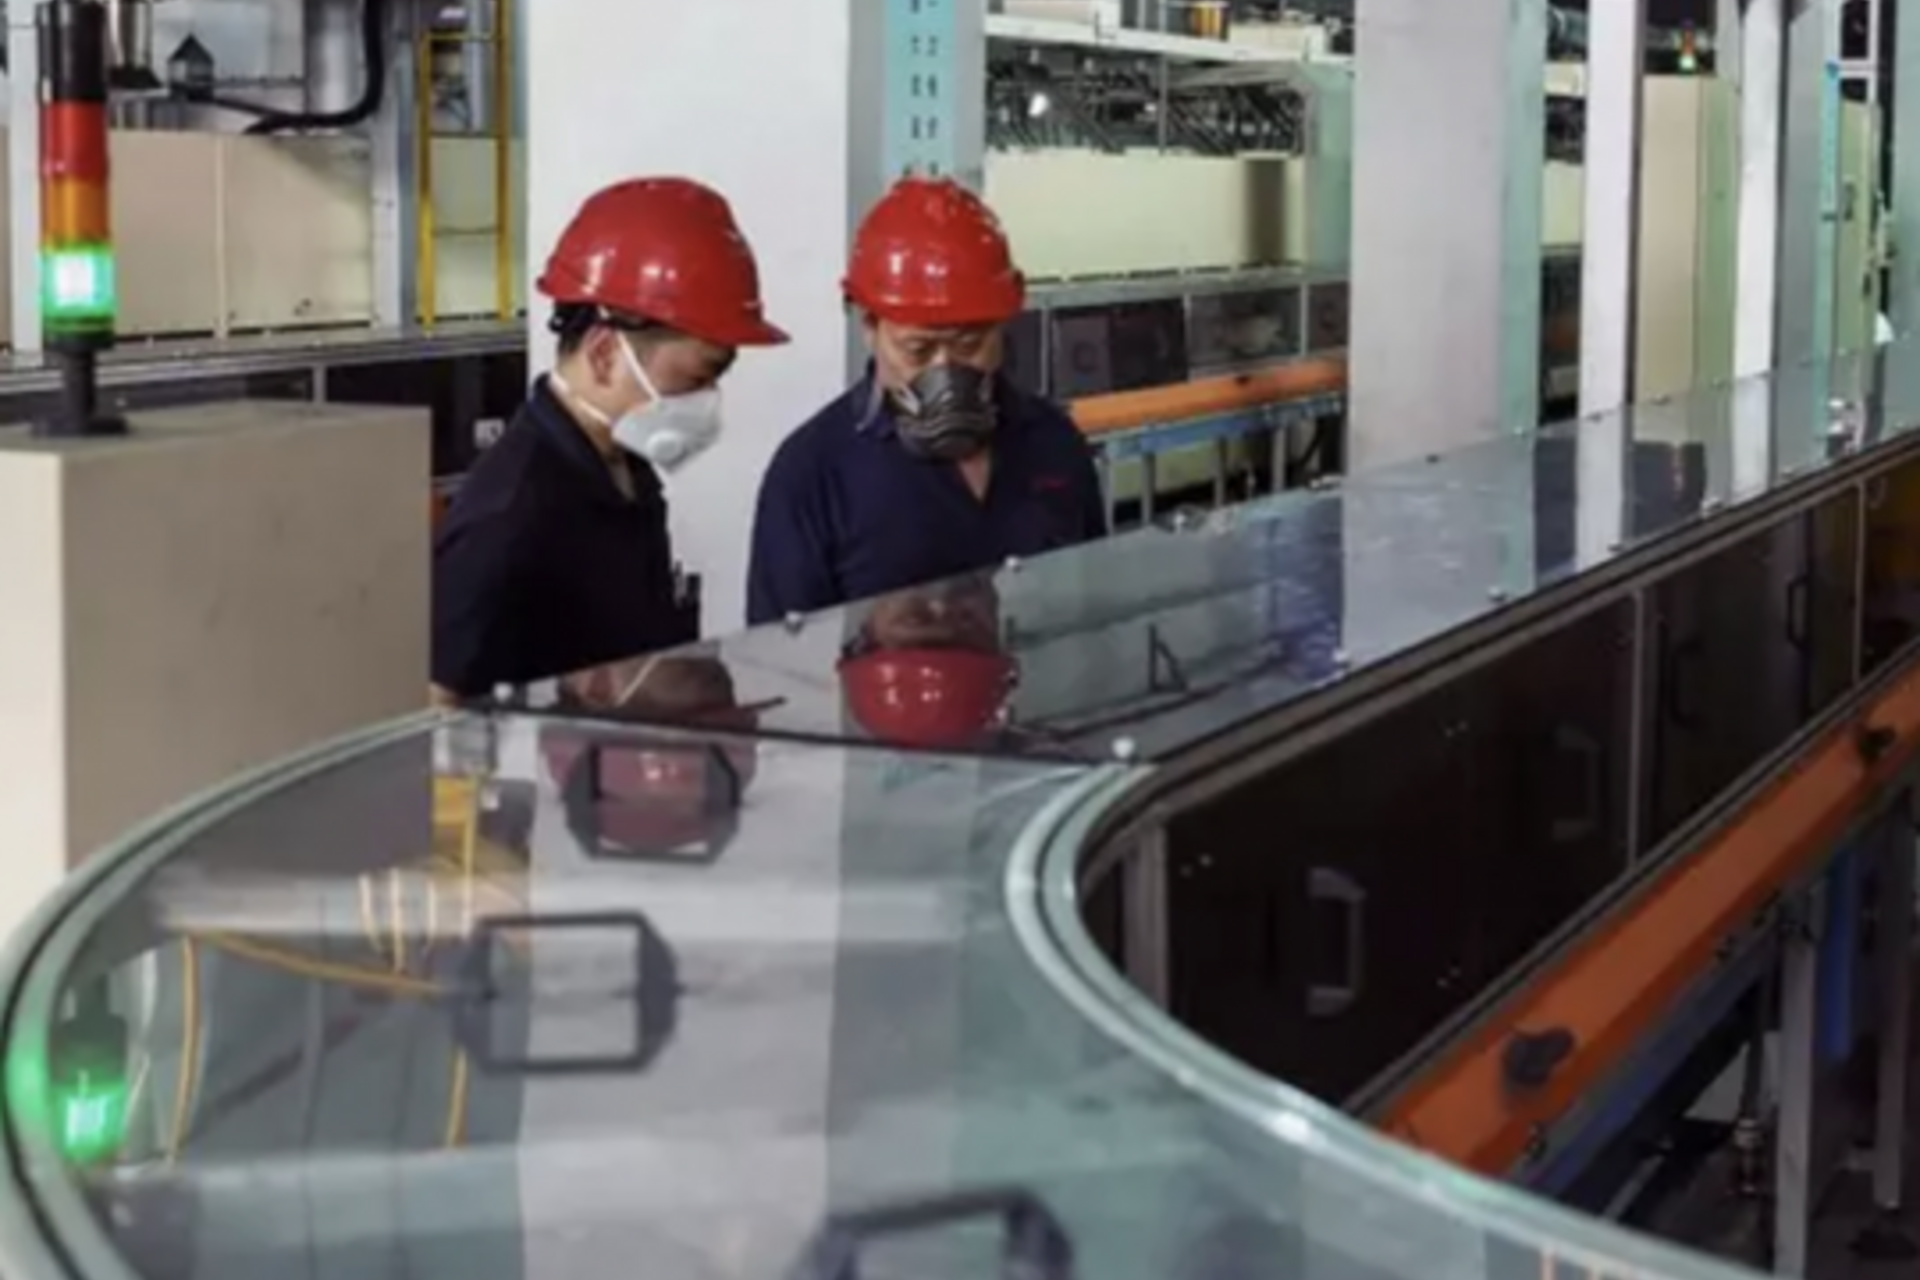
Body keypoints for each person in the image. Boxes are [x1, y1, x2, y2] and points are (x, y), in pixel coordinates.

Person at [432, 178, 789, 700]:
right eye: (695, 379)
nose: (708, 400)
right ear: (604, 354)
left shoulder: (624, 467)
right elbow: (438, 710)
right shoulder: (512, 514)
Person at [744, 177, 1106, 627]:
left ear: (1002, 326)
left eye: (970, 344)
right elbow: (784, 669)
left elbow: (1093, 611)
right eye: (917, 350)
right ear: (869, 328)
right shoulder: (812, 475)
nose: (946, 371)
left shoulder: (1055, 443)